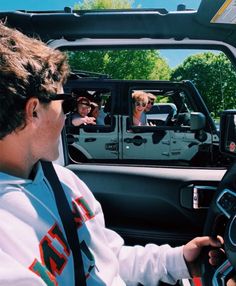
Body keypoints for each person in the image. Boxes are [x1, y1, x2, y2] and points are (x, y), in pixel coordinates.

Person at [0, 22, 224, 286]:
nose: (68, 115)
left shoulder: (62, 179)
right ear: (34, 110)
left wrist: (179, 261)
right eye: (66, 103)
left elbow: (107, 259)